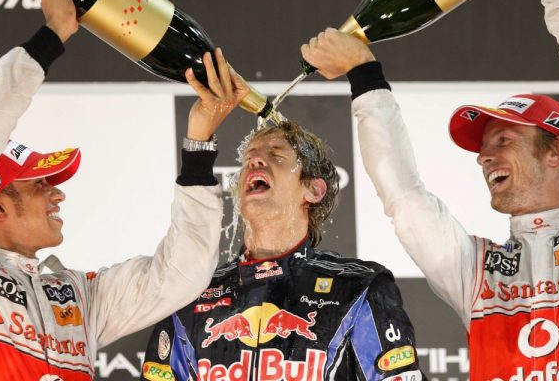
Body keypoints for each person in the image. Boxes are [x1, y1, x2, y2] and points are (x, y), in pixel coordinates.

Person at [301, 0, 559, 379]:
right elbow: (404, 198)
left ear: (557, 150)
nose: (485, 156)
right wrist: (364, 74)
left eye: (505, 139)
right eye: (483, 147)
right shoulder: (479, 272)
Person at [0, 0, 245, 381]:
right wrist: (51, 37)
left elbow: (180, 274)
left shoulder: (75, 295)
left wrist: (199, 148)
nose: (57, 195)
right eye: (39, 185)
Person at [139, 55, 426, 381]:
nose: (255, 163)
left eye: (275, 156)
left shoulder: (357, 289)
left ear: (313, 190)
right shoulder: (188, 293)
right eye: (248, 160)